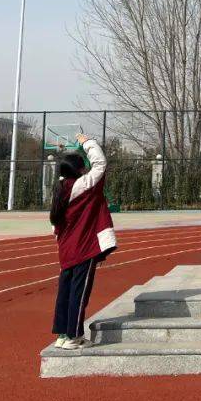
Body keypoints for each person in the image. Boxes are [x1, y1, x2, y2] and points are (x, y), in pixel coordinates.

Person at [50, 135, 116, 350]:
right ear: (79, 170)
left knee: (65, 292)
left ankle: (62, 334)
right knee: (79, 293)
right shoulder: (84, 185)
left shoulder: (60, 190)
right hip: (83, 248)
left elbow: (55, 225)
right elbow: (100, 163)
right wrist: (87, 141)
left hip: (67, 250)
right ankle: (74, 336)